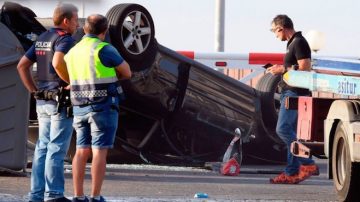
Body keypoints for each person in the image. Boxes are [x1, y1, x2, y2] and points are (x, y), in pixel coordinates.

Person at [59, 14, 131, 202]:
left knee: (81, 150)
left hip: (79, 106)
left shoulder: (73, 52)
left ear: (85, 29)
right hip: (102, 106)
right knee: (99, 151)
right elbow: (127, 72)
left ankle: (78, 195)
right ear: (104, 31)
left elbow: (66, 70)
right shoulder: (104, 48)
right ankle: (95, 196)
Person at [17, 3, 79, 202]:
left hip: (42, 100)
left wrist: (33, 91)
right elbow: (57, 62)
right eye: (76, 20)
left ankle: (36, 194)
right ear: (66, 20)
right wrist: (72, 82)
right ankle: (53, 194)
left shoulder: (42, 38)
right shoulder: (65, 39)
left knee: (42, 148)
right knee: (57, 148)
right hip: (59, 101)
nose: (77, 25)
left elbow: (22, 66)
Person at [267, 14, 319, 184]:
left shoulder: (299, 42)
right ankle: (291, 172)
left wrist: (282, 69)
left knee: (282, 130)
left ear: (281, 28)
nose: (275, 35)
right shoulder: (293, 43)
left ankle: (308, 163)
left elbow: (305, 67)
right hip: (291, 92)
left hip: (295, 93)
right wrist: (281, 69)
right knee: (290, 133)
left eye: (274, 31)